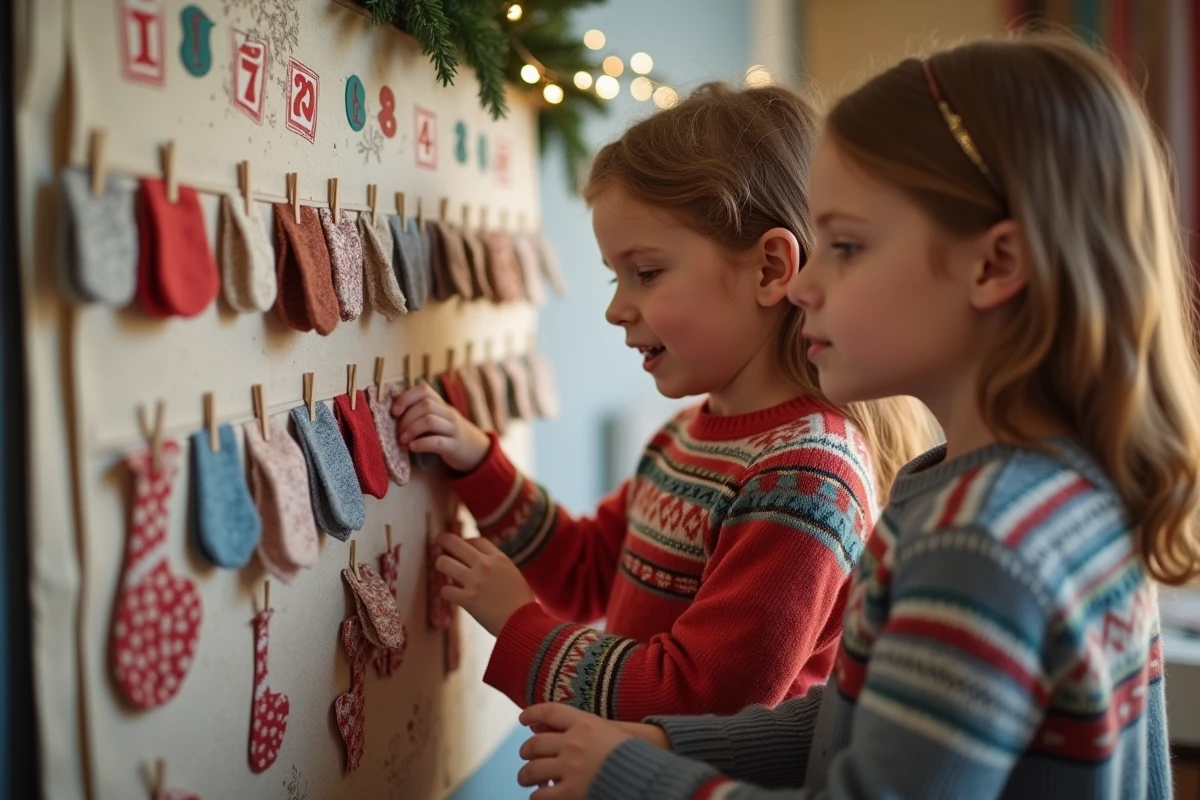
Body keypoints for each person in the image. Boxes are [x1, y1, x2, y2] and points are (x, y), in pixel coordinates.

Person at [514, 34, 1200, 799]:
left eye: (845, 246)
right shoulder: (1000, 488)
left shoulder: (981, 541)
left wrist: (636, 779)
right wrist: (669, 740)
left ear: (994, 265)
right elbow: (862, 714)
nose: (805, 285)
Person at [390, 83, 932, 722]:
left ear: (768, 270)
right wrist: (480, 462)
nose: (616, 309)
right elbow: (588, 571)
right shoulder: (690, 437)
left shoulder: (808, 481)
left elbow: (701, 697)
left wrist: (515, 622)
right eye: (614, 276)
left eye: (645, 273)